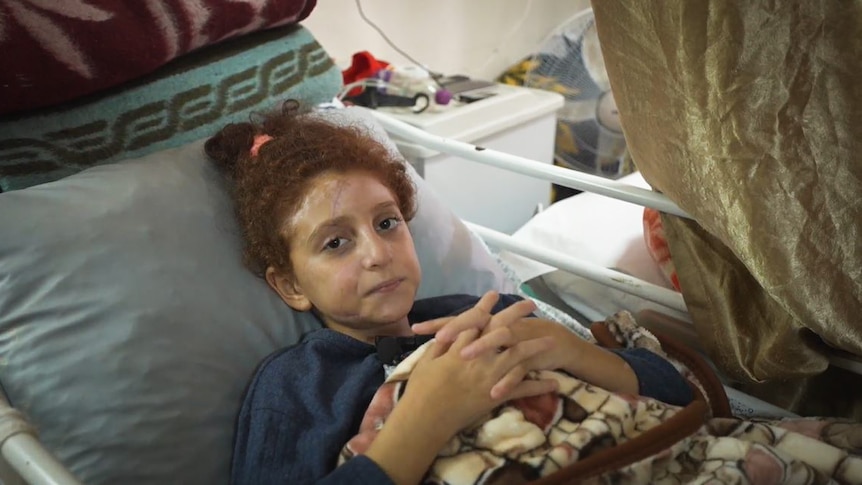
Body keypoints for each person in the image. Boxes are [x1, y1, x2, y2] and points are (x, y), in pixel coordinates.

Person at [205, 101, 693, 485]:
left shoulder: (486, 313)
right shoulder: (299, 387)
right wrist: (425, 418)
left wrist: (572, 350)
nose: (378, 252)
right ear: (290, 285)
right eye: (336, 243)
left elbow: (682, 396)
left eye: (387, 222)